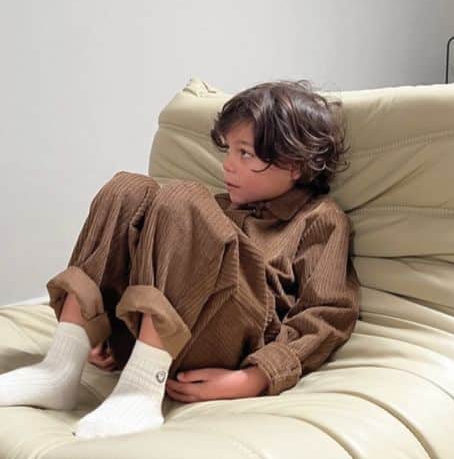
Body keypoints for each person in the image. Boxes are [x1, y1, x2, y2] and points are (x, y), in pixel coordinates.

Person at [0, 79, 360, 439]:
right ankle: (61, 365)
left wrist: (255, 377)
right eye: (228, 151)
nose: (228, 165)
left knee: (182, 198)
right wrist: (99, 331)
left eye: (245, 154)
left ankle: (140, 390)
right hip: (150, 334)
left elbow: (326, 313)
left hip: (231, 340)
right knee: (128, 188)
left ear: (294, 164)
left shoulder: (319, 218)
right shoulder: (218, 207)